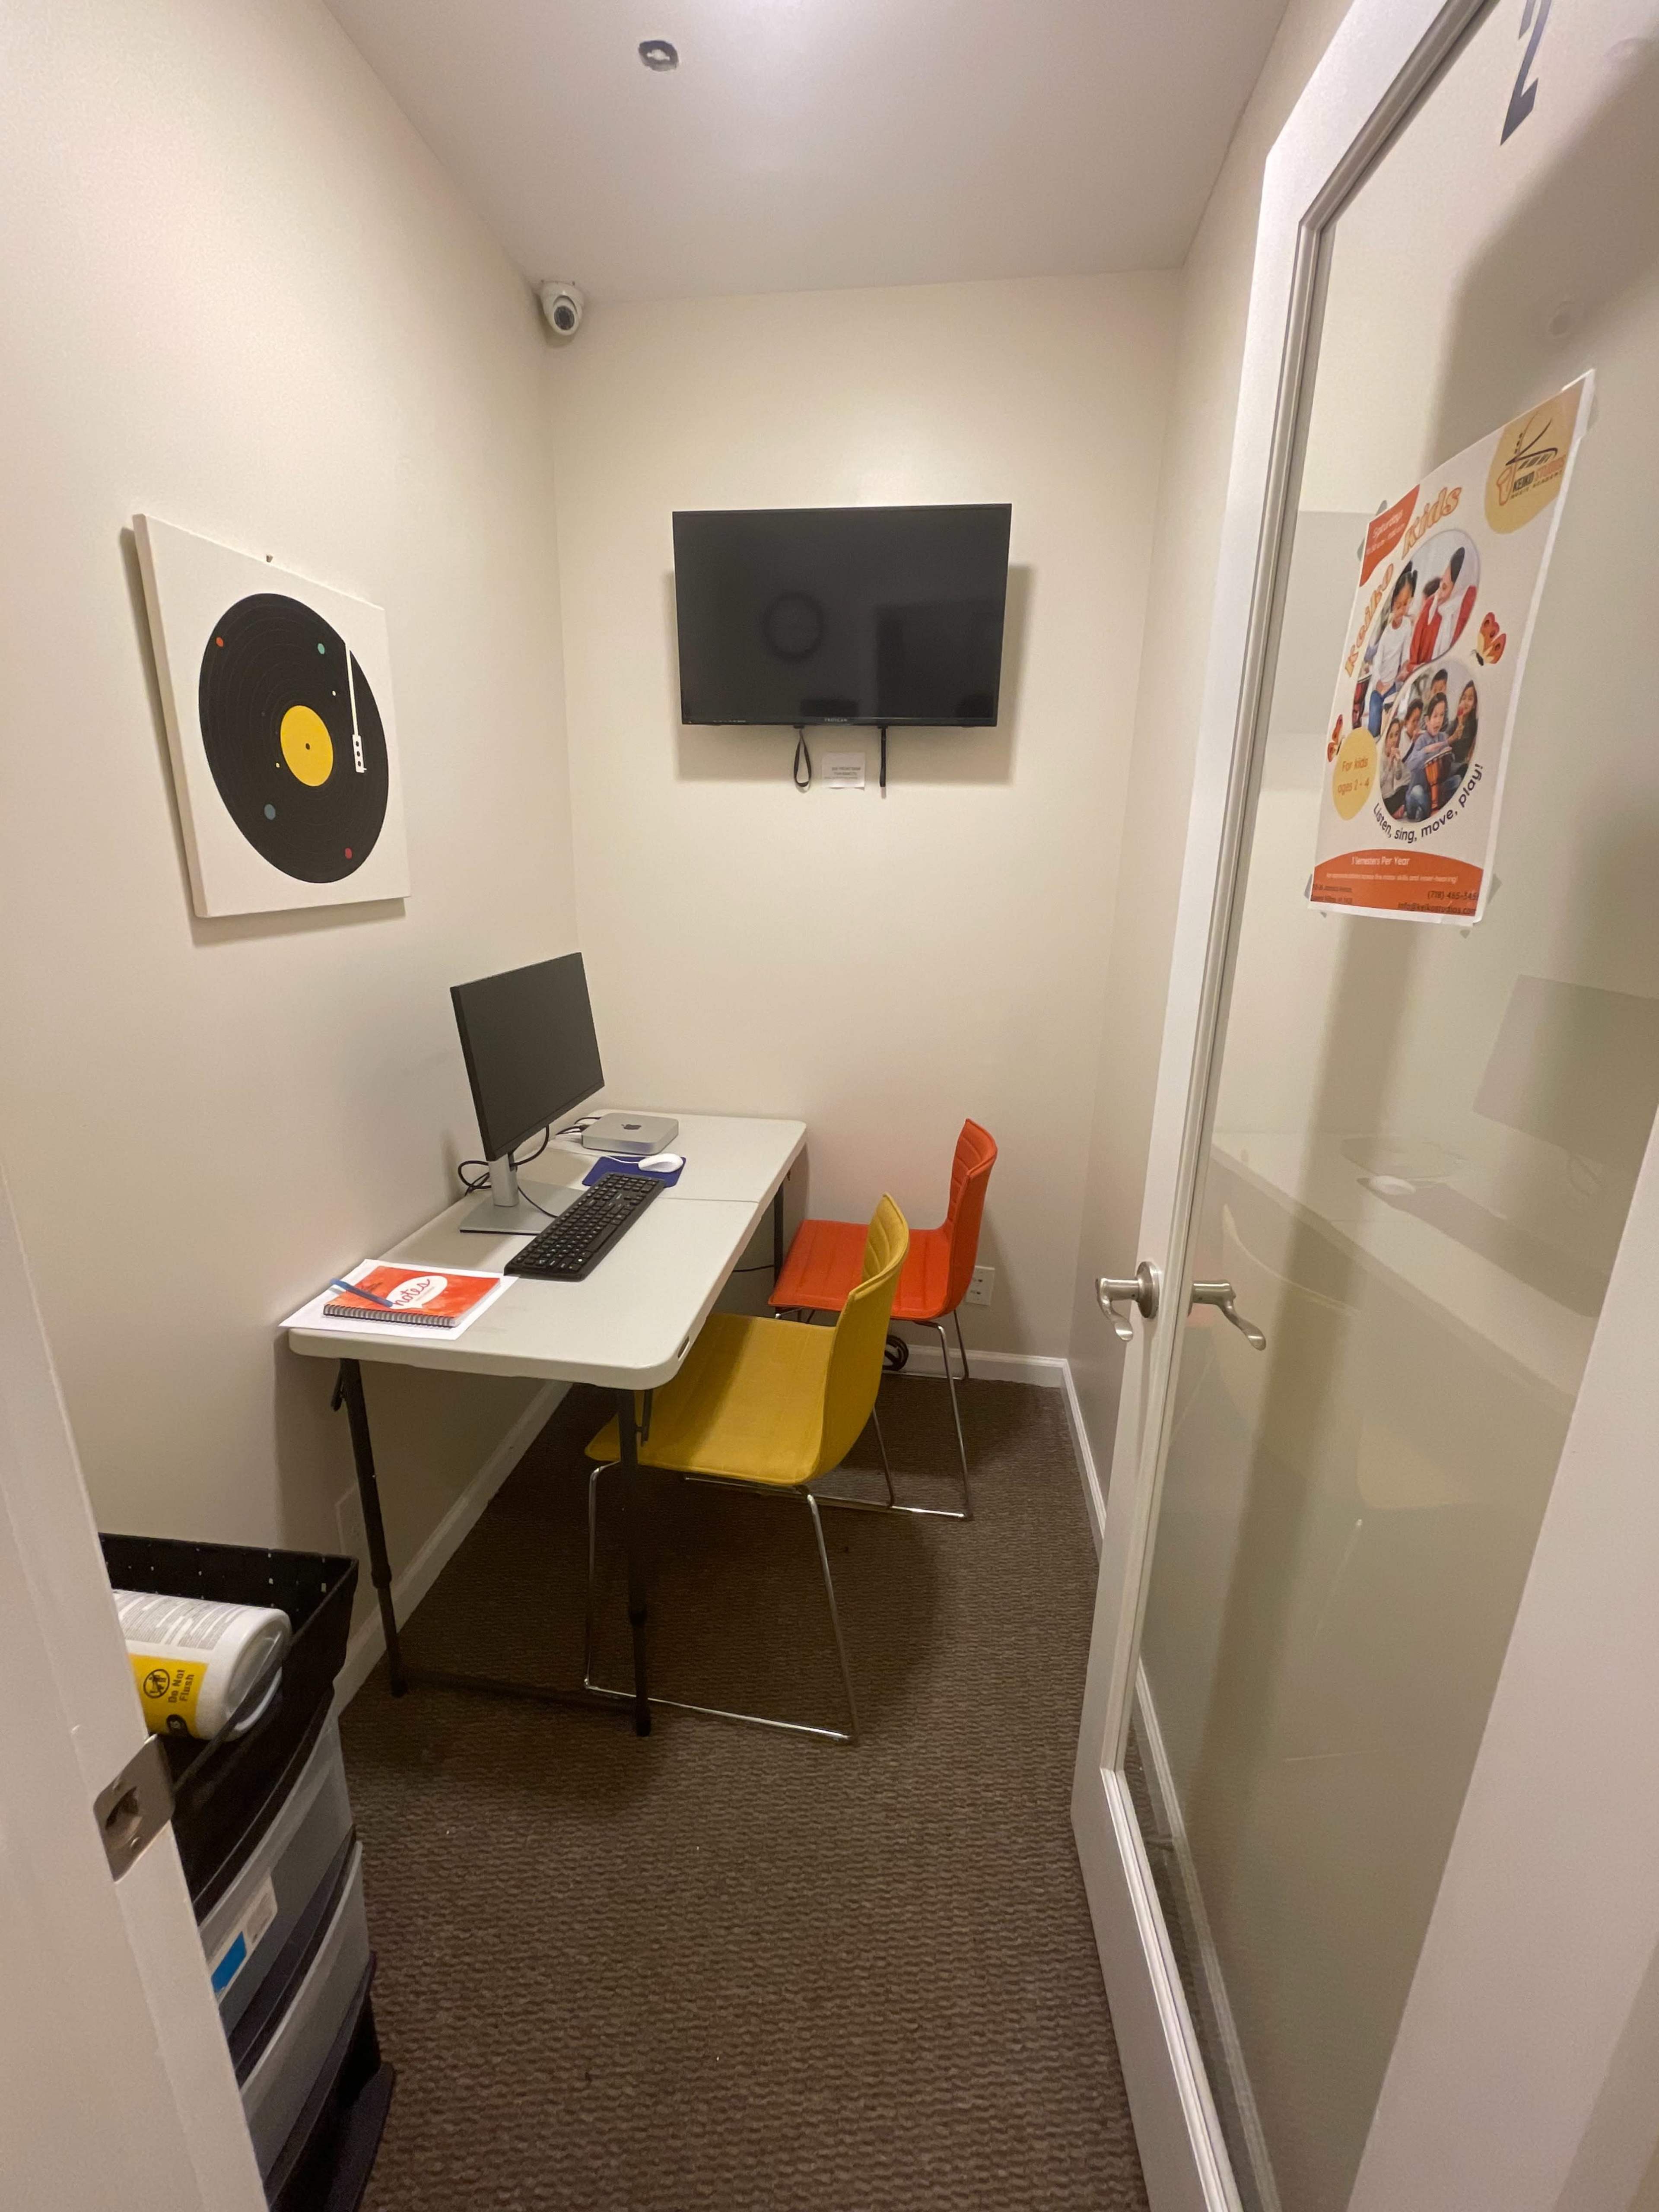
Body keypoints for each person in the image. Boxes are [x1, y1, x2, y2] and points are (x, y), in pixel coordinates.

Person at [1364, 567, 1417, 736]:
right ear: (1393, 602)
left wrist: (1405, 667)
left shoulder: (1407, 626)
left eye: (1405, 605)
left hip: (1393, 686)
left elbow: (1406, 651)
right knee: (1374, 727)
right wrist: (1378, 682)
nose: (1401, 610)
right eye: (1398, 605)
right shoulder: (1386, 630)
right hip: (1378, 687)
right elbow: (1378, 659)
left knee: (1390, 728)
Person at [1411, 545, 1475, 666]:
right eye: (1441, 585)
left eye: (1444, 588)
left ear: (1458, 590)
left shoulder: (1468, 609)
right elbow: (1413, 661)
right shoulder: (1431, 606)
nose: (1438, 594)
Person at [1402, 692, 1453, 820]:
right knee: (1418, 792)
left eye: (1442, 716)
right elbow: (1410, 765)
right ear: (1427, 719)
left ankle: (1427, 809)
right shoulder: (1421, 741)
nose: (1438, 721)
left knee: (1457, 781)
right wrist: (1426, 750)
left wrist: (1447, 755)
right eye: (1435, 716)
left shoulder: (1443, 737)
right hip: (1419, 793)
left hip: (1435, 792)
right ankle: (1426, 809)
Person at [1449, 680, 1479, 772]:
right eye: (1464, 698)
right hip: (1450, 766)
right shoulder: (1453, 724)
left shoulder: (1475, 726)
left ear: (1474, 705)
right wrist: (1460, 721)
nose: (1466, 702)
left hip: (1464, 768)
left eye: (1470, 699)